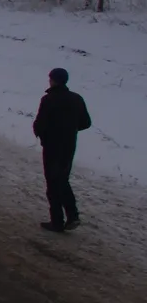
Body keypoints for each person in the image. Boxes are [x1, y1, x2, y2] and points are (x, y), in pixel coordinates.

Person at [32, 67, 92, 232]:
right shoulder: (77, 99)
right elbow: (86, 123)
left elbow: (40, 124)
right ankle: (72, 215)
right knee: (62, 179)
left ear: (53, 80)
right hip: (69, 146)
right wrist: (70, 129)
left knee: (53, 183)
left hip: (52, 147)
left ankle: (57, 221)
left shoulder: (48, 99)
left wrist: (42, 135)